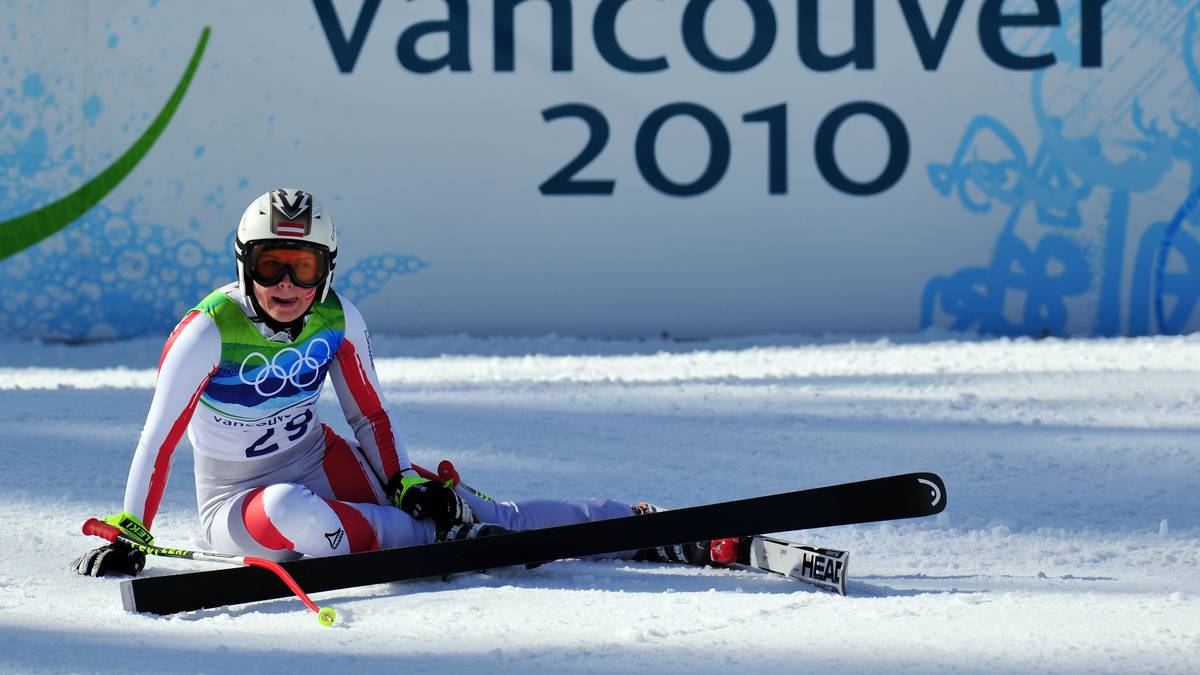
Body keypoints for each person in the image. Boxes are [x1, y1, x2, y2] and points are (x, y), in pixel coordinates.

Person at [71, 188, 716, 578]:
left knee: (470, 504)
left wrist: (406, 481)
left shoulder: (338, 318)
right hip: (235, 505)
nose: (288, 286)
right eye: (272, 266)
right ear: (244, 266)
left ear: (328, 268)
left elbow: (370, 419)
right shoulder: (206, 332)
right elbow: (159, 440)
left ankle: (629, 525)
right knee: (297, 514)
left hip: (321, 462)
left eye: (304, 266)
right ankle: (444, 537)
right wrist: (133, 529)